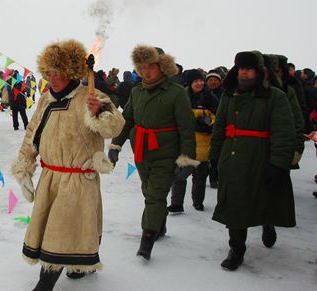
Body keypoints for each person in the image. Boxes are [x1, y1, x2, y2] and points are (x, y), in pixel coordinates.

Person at [11, 39, 125, 290]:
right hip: (51, 177)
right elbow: (32, 133)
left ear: (70, 72)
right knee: (64, 226)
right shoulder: (44, 100)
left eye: (57, 73)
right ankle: (77, 264)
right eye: (48, 73)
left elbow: (116, 126)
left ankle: (45, 283)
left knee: (61, 231)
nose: (52, 78)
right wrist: (24, 167)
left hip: (78, 179)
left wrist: (102, 110)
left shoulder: (90, 95)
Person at [208, 51, 295, 271]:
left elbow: (284, 133)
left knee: (263, 198)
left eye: (249, 67)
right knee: (235, 205)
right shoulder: (229, 95)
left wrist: (279, 166)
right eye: (241, 67)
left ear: (259, 71)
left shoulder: (275, 96)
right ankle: (237, 249)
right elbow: (219, 130)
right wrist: (214, 159)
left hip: (260, 157)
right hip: (233, 158)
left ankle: (268, 222)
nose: (244, 71)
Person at [109, 45, 197, 260]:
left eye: (151, 66)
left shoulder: (175, 93)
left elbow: (187, 129)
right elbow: (127, 120)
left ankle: (146, 240)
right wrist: (116, 145)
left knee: (155, 197)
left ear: (162, 66)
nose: (146, 71)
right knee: (150, 193)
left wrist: (186, 160)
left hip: (166, 153)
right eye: (142, 67)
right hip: (141, 153)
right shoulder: (137, 91)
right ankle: (160, 225)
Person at [167, 69, 219, 213]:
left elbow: (218, 119)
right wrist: (194, 122)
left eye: (201, 80)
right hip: (184, 142)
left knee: (200, 175)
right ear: (190, 83)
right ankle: (176, 203)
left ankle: (198, 201)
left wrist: (206, 125)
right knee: (180, 173)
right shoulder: (182, 96)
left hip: (203, 143)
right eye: (196, 81)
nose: (199, 83)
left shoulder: (211, 98)